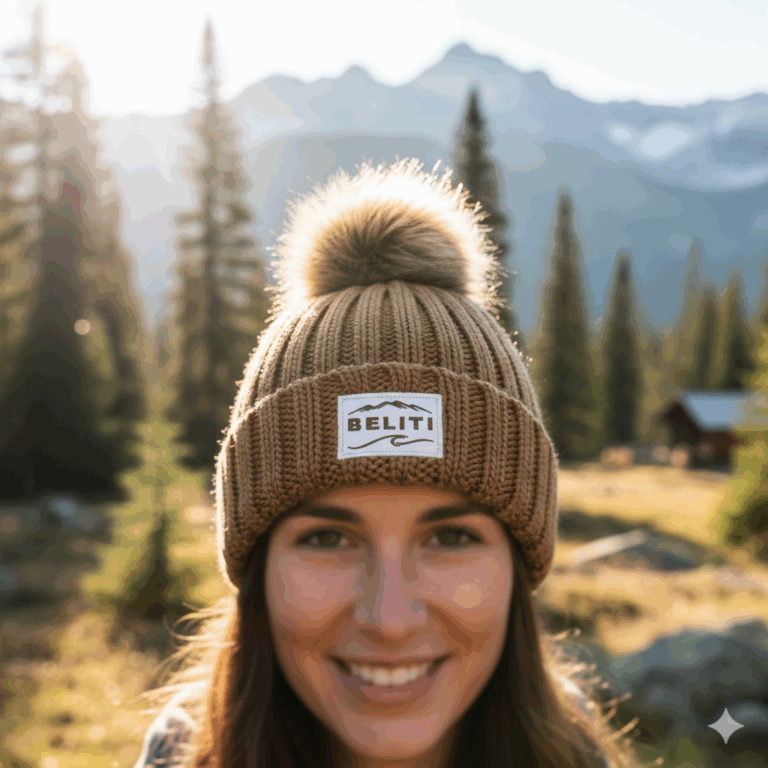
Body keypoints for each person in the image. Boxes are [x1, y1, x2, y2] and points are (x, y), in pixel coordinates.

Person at [133, 158, 644, 768]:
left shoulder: (575, 754)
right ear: (257, 568)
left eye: (452, 536)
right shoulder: (180, 754)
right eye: (326, 538)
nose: (391, 618)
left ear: (518, 563)